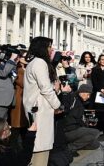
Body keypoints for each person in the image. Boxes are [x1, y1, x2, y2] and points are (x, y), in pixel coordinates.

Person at [23, 36, 62, 165]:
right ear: (43, 48)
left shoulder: (34, 62)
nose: (52, 49)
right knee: (40, 149)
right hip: (40, 109)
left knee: (37, 148)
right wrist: (57, 104)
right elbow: (45, 88)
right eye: (50, 46)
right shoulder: (39, 62)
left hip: (37, 107)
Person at [60, 84, 100, 156]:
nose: (88, 97)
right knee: (95, 132)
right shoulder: (72, 98)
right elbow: (64, 108)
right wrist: (65, 93)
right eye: (88, 95)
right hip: (68, 130)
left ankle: (72, 146)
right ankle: (69, 148)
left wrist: (87, 123)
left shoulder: (81, 102)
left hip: (76, 129)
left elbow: (79, 119)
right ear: (82, 92)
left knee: (95, 144)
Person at [9, 50, 29, 148]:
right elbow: (23, 83)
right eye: (25, 57)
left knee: (24, 127)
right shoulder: (18, 69)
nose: (27, 59)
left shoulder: (26, 69)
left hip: (25, 99)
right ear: (20, 58)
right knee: (16, 126)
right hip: (18, 99)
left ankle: (21, 148)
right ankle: (13, 149)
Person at [0, 49, 18, 119]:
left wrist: (13, 61)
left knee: (2, 124)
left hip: (4, 99)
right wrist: (11, 59)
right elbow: (3, 73)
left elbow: (13, 74)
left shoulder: (1, 61)